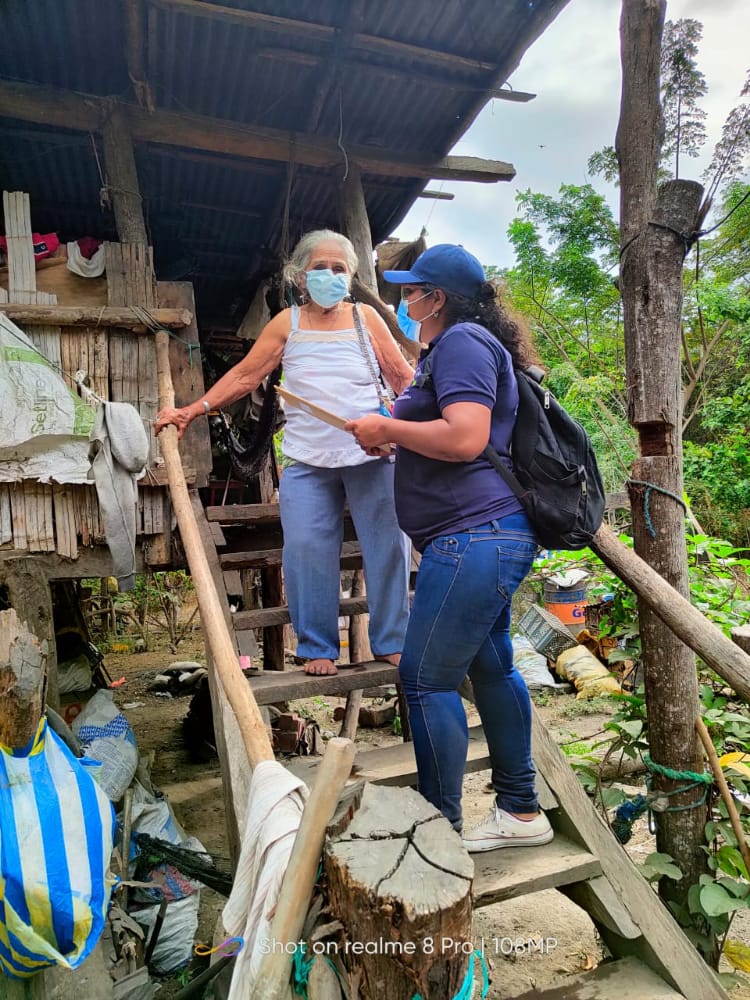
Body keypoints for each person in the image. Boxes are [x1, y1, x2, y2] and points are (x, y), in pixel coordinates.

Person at [345, 244, 554, 852]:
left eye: (412, 291)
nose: (405, 300)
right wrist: (400, 438)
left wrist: (386, 426)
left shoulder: (462, 342)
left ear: (437, 298)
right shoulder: (463, 346)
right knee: (491, 667)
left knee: (424, 680)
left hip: (474, 536)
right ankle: (520, 811)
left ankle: (441, 833)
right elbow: (455, 435)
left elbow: (465, 438)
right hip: (485, 535)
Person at [155, 229, 413, 677]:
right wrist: (193, 410)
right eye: (320, 267)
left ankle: (392, 640)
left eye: (339, 268)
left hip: (373, 455)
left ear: (350, 276)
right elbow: (245, 376)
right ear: (300, 275)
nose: (330, 275)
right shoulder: (286, 323)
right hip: (308, 460)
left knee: (390, 543)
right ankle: (317, 647)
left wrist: (410, 431)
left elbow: (402, 379)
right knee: (306, 549)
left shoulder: (366, 318)